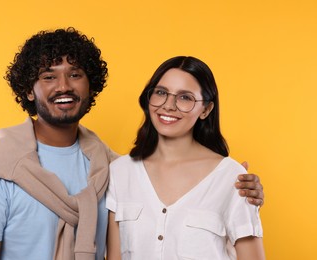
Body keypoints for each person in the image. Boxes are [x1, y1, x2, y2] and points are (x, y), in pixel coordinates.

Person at [0, 28, 264, 260]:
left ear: (90, 85)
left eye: (75, 74)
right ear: (28, 91)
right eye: (48, 77)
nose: (63, 86)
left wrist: (239, 185)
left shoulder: (112, 168)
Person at [106, 56, 265, 259]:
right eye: (161, 93)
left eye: (185, 97)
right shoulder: (120, 172)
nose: (169, 106)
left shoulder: (233, 178)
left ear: (206, 110)